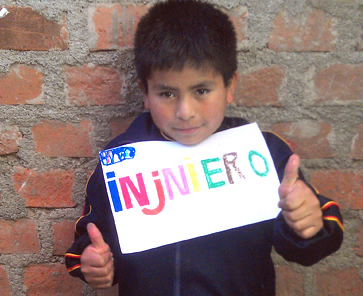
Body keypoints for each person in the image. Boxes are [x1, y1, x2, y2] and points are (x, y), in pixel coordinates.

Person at [65, 1, 344, 295]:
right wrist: (95, 264)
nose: (185, 111)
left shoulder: (262, 156)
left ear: (230, 85)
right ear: (145, 93)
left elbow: (306, 249)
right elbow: (93, 241)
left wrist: (306, 225)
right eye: (167, 93)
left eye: (201, 90)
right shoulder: (121, 163)